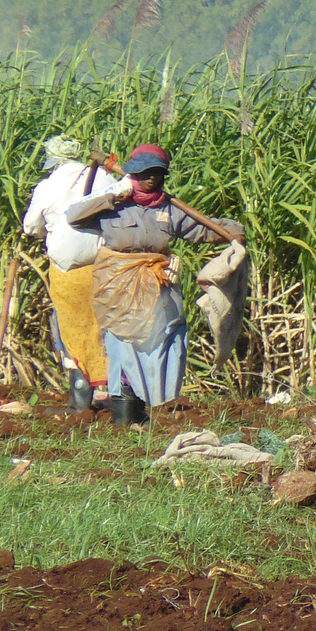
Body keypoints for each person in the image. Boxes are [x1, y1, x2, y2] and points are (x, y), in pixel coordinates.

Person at [66, 144, 244, 424]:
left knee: (165, 340)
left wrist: (232, 232)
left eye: (157, 174)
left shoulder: (169, 209)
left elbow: (204, 230)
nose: (151, 179)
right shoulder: (115, 205)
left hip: (158, 283)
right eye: (145, 173)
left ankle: (158, 406)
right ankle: (125, 408)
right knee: (123, 344)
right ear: (133, 174)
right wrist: (114, 194)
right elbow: (73, 216)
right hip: (117, 284)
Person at [21, 135, 121, 411]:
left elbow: (31, 226)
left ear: (54, 161)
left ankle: (80, 402)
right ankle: (116, 395)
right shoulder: (104, 178)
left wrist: (47, 229)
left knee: (70, 329)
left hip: (68, 270)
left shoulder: (48, 185)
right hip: (103, 265)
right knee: (105, 326)